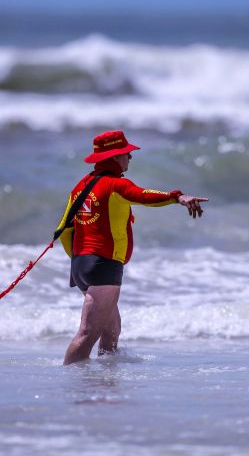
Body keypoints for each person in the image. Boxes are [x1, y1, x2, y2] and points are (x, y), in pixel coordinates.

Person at [56, 130, 208, 365]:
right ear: (116, 157)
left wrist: (80, 259)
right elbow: (142, 195)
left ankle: (103, 381)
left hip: (82, 266)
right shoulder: (116, 185)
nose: (131, 157)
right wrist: (176, 197)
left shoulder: (81, 187)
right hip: (103, 265)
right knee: (87, 334)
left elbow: (64, 229)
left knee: (111, 330)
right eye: (127, 153)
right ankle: (72, 384)